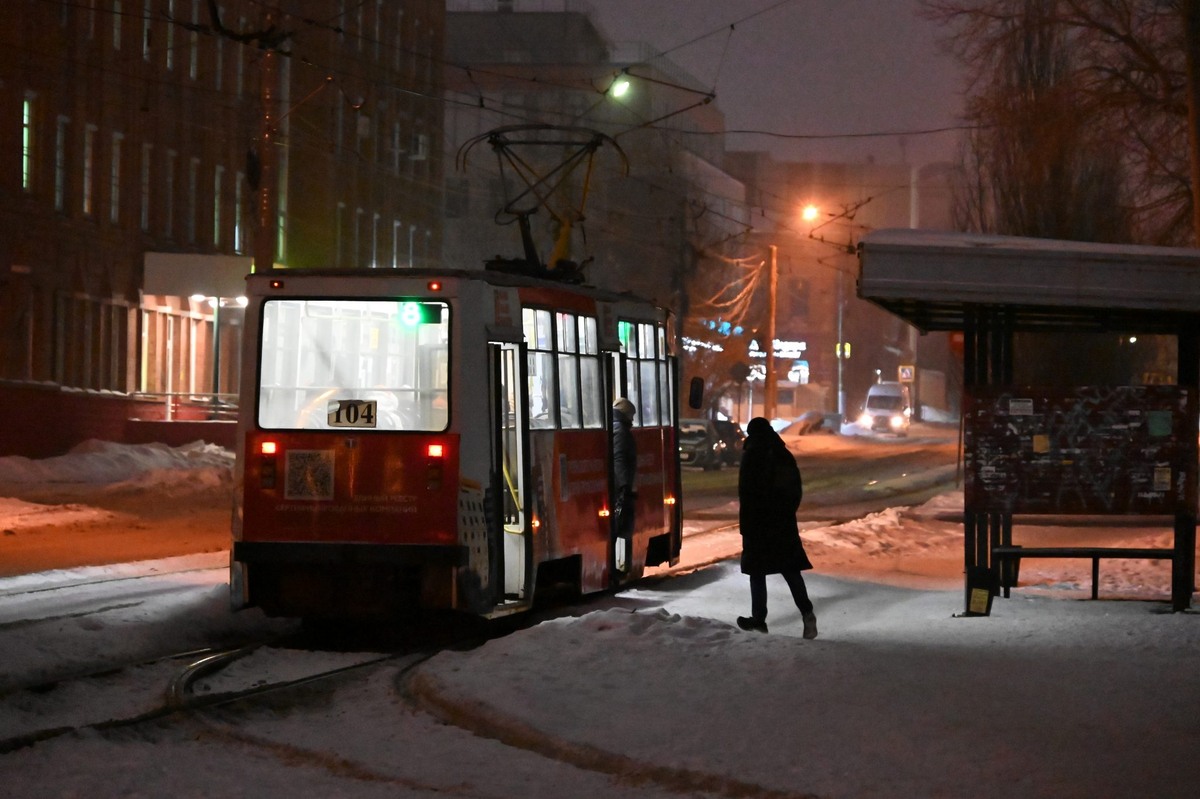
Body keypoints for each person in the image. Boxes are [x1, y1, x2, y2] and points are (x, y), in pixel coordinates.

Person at [736, 416, 818, 638]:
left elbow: (747, 493)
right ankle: (807, 613)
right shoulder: (783, 455)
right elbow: (794, 490)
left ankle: (759, 619)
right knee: (790, 570)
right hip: (782, 524)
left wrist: (748, 523)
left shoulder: (752, 455)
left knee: (757, 571)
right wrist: (786, 512)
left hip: (758, 524)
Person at [611, 397, 637, 573]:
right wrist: (624, 485)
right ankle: (612, 568)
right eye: (631, 415)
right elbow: (619, 458)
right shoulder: (621, 431)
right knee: (616, 527)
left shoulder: (615, 427)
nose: (633, 420)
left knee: (615, 527)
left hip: (617, 486)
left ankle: (613, 566)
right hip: (618, 487)